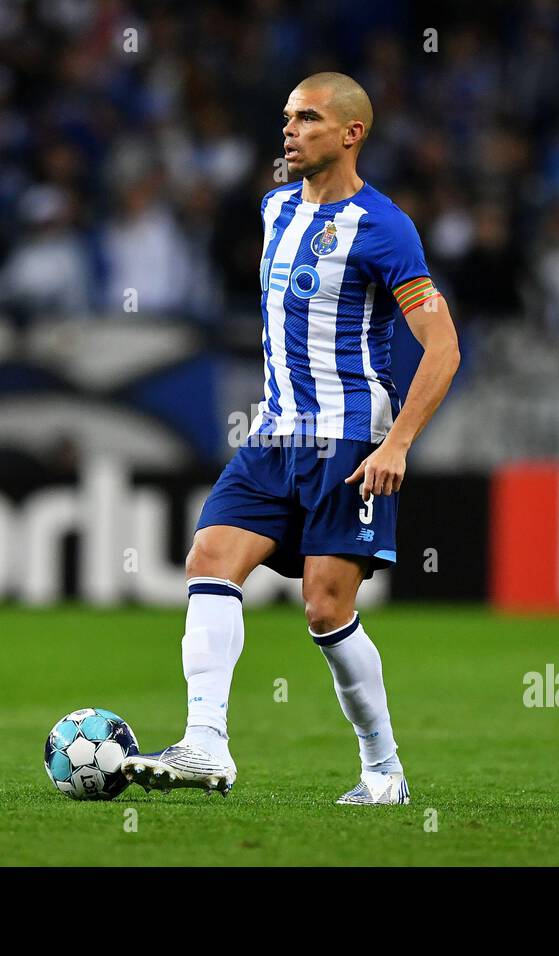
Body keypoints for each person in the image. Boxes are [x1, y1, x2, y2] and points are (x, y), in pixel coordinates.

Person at [122, 73, 460, 805]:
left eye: (307, 119)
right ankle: (205, 744)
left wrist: (397, 444)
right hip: (274, 435)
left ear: (350, 133)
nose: (289, 130)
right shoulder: (275, 208)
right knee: (210, 556)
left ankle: (383, 771)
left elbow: (443, 348)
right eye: (286, 118)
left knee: (325, 610)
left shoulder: (385, 227)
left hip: (350, 439)